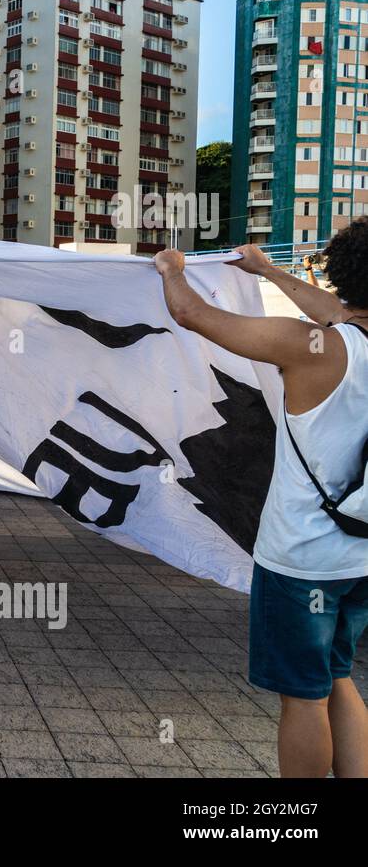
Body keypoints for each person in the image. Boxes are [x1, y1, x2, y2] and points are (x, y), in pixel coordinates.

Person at [155, 222, 368, 778]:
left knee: (304, 695)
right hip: (363, 555)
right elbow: (335, 314)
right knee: (336, 674)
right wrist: (269, 271)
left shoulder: (313, 348)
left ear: (343, 277)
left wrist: (172, 272)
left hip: (302, 559)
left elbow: (194, 316)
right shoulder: (331, 335)